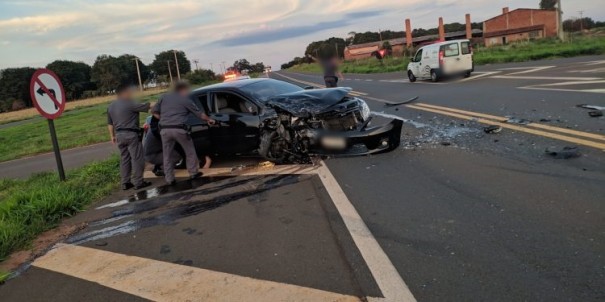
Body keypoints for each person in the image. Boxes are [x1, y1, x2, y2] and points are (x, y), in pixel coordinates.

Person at [152, 81, 215, 185]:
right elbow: (200, 115)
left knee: (167, 155)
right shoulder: (185, 100)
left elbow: (154, 112)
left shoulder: (164, 97)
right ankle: (193, 173)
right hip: (179, 129)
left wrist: (164, 120)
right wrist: (209, 120)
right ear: (182, 90)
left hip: (164, 130)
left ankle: (170, 179)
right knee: (189, 151)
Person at [107, 84, 152, 190]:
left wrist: (112, 136)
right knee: (137, 158)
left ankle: (125, 182)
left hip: (119, 135)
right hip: (131, 135)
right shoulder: (130, 103)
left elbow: (110, 123)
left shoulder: (111, 106)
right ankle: (139, 182)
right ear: (124, 93)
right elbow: (148, 105)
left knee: (124, 158)